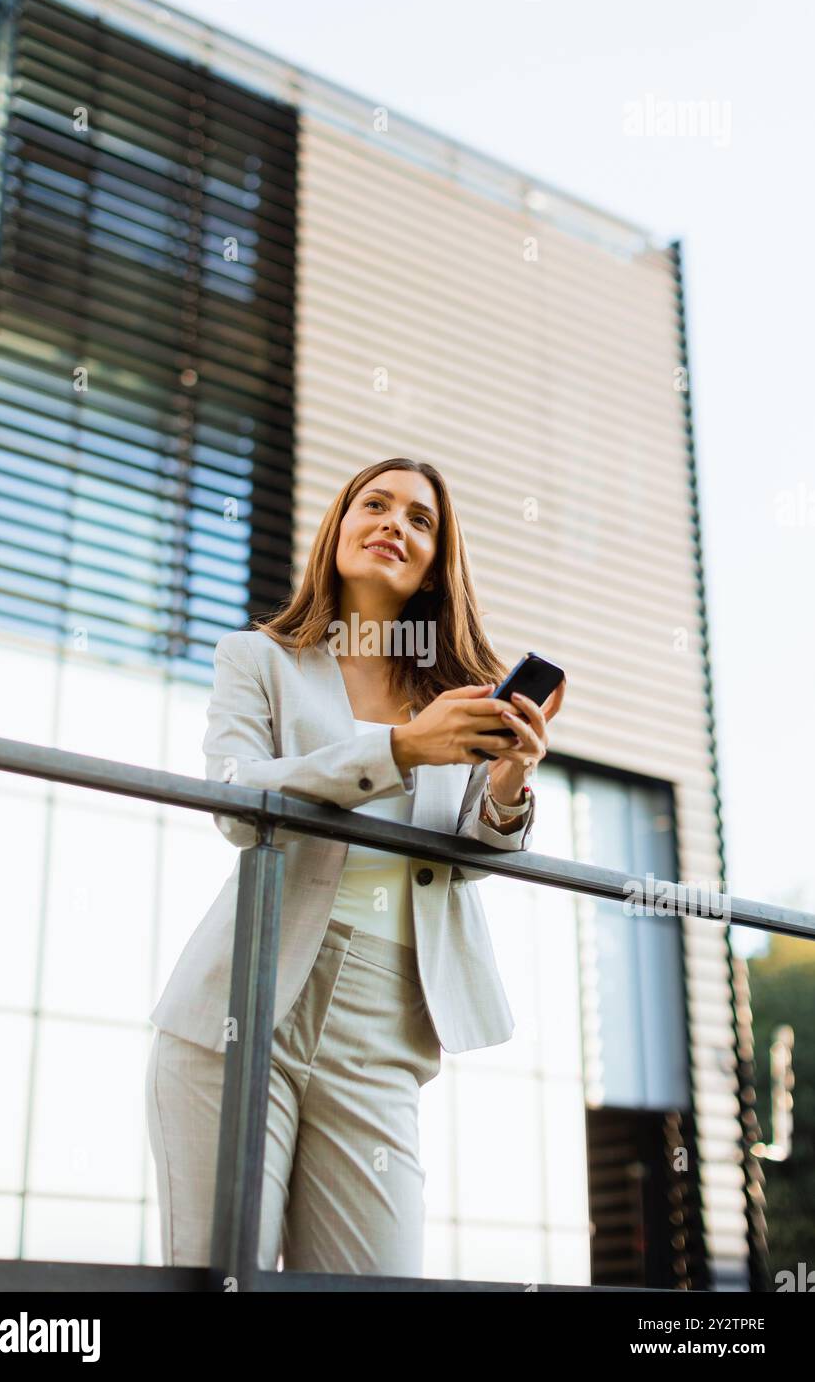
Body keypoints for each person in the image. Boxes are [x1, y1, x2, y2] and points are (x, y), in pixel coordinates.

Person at [145, 457, 565, 1277]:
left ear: (439, 564)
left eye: (420, 519)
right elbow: (235, 800)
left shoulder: (454, 698)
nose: (394, 524)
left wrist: (510, 779)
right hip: (246, 1004)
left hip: (386, 1022)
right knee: (222, 1279)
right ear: (339, 527)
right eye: (375, 504)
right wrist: (400, 750)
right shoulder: (256, 660)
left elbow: (473, 853)